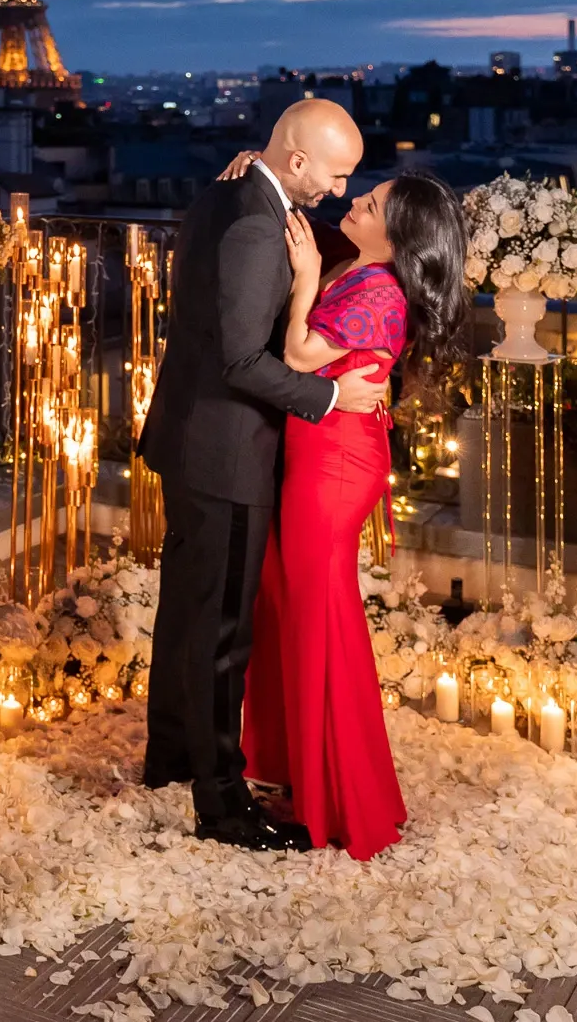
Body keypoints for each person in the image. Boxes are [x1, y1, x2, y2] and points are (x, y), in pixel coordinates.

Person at [135, 99, 391, 850]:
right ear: (298, 161)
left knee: (186, 609)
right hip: (228, 452)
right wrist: (333, 394)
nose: (342, 193)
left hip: (190, 442)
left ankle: (171, 756)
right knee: (221, 634)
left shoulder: (229, 191)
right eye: (338, 175)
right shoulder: (256, 221)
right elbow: (242, 360)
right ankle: (220, 803)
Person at [238, 170, 469, 859]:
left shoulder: (375, 287)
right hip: (323, 452)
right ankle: (298, 778)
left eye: (368, 205)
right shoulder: (364, 271)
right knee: (292, 609)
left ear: (396, 234)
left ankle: (334, 799)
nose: (354, 203)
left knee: (320, 622)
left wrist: (306, 273)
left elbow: (299, 354)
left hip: (333, 465)